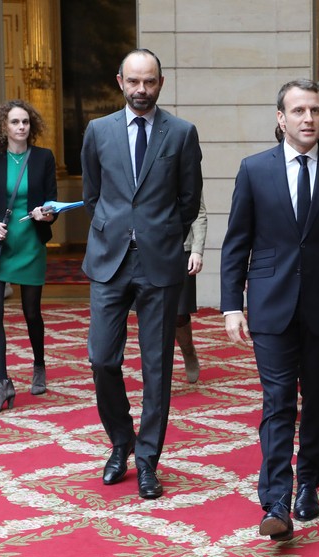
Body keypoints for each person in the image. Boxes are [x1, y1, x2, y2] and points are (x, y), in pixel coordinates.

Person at [221, 79, 319, 542]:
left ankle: (309, 481)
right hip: (269, 306)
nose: (308, 118)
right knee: (277, 404)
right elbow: (237, 244)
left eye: (316, 110)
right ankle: (275, 501)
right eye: (298, 111)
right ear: (281, 118)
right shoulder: (254, 169)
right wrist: (232, 304)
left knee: (318, 401)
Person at [81, 48, 203, 500]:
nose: (141, 90)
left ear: (161, 83)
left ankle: (148, 459)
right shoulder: (98, 131)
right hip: (109, 260)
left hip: (160, 262)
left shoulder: (182, 133)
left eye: (149, 82)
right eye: (133, 81)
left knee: (157, 368)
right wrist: (118, 229)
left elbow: (189, 200)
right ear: (120, 81)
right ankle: (121, 442)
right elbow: (93, 195)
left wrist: (160, 233)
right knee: (102, 359)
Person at [0, 99, 57, 414]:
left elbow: (52, 204)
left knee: (31, 312)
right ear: (3, 127)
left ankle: (39, 364)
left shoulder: (44, 158)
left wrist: (46, 214)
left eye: (26, 122)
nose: (22, 127)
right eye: (15, 122)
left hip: (30, 243)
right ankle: (1, 383)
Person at [175, 198, 207, 383]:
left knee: (179, 313)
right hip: (148, 249)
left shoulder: (188, 167)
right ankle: (158, 373)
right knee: (153, 314)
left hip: (182, 248)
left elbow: (198, 211)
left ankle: (188, 350)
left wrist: (197, 250)